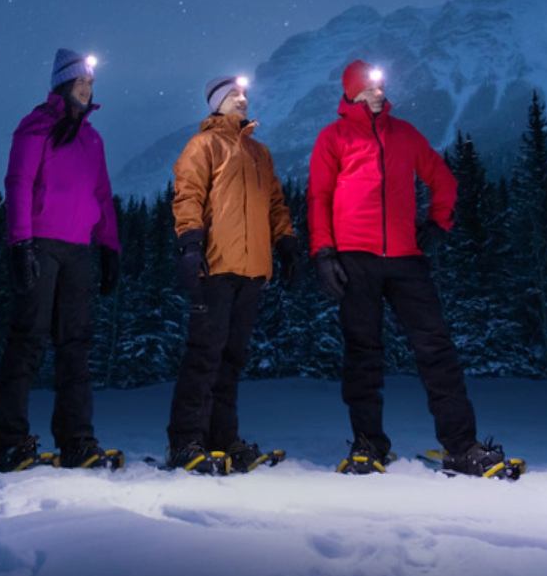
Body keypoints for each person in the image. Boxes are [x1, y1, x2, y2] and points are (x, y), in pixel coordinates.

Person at [308, 59, 518, 479]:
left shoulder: (404, 134)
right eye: (369, 88)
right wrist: (324, 253)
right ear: (351, 93)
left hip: (406, 258)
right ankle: (368, 445)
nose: (379, 93)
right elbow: (319, 196)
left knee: (436, 350)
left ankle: (461, 447)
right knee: (363, 354)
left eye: (381, 86)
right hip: (355, 258)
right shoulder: (333, 138)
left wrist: (439, 222)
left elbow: (443, 179)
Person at [0, 48, 125, 472]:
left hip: (78, 250)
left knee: (75, 347)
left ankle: (77, 439)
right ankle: (9, 441)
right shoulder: (36, 127)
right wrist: (19, 243)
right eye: (81, 82)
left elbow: (101, 194)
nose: (88, 88)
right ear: (63, 84)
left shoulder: (92, 138)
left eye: (91, 83)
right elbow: (19, 183)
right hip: (41, 244)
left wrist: (110, 246)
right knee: (27, 340)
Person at [163, 75, 306, 473]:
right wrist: (190, 243)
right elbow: (188, 193)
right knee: (204, 356)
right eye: (234, 95)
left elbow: (275, 203)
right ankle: (185, 440)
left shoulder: (260, 153)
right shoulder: (203, 145)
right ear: (217, 103)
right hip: (216, 265)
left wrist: (286, 242)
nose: (243, 100)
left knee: (231, 359)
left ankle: (223, 438)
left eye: (245, 94)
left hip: (252, 269)